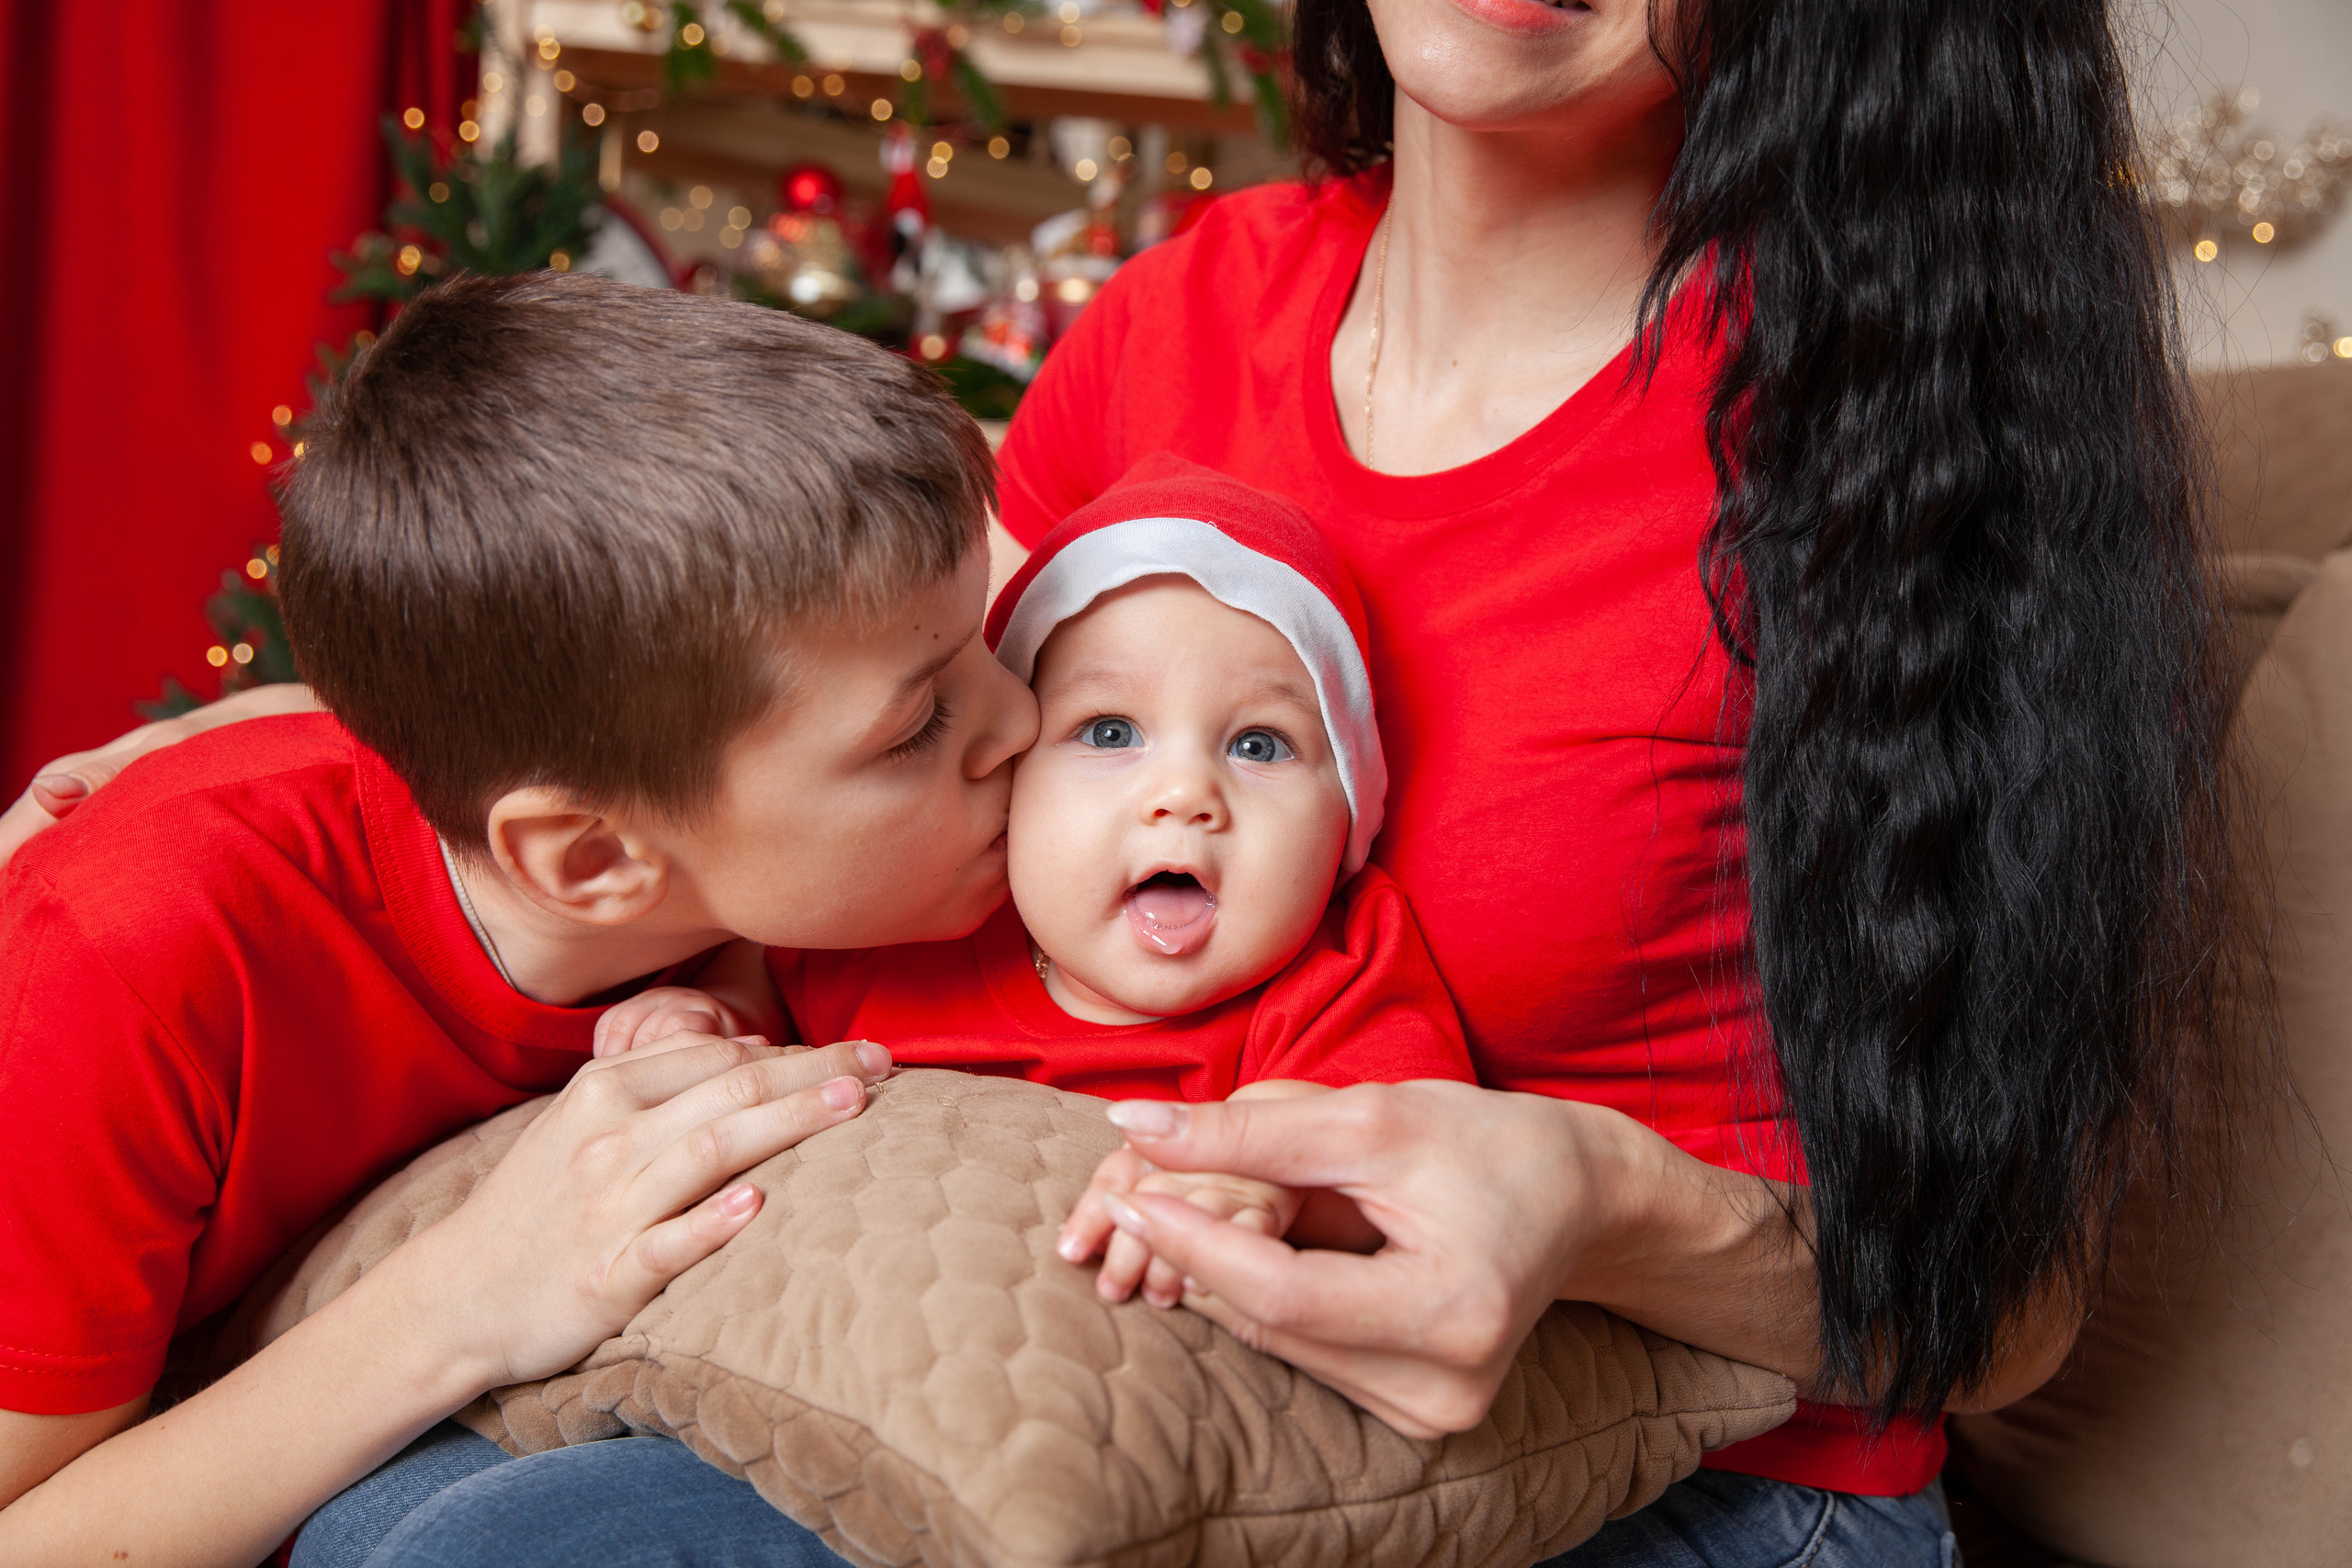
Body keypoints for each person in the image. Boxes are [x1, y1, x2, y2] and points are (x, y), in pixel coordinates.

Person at [6, 0, 2237, 1562]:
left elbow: (2007, 1295)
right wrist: (275, 735)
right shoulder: (1186, 316)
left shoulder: (1908, 441)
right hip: (1089, 1354)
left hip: (1704, 1482)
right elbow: (768, 710)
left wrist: (1610, 1208)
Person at [0, 271, 1040, 1564]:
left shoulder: (693, 818)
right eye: (920, 721)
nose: (1028, 721)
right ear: (595, 854)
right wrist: (468, 1296)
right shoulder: (131, 954)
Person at [619, 457, 1475, 1306]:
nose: (1183, 795)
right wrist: (718, 1013)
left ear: (1347, 820)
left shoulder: (1338, 974)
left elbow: (1405, 1149)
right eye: (1109, 732)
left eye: (1259, 744)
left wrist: (1269, 1178)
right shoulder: (925, 923)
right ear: (1012, 778)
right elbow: (780, 961)